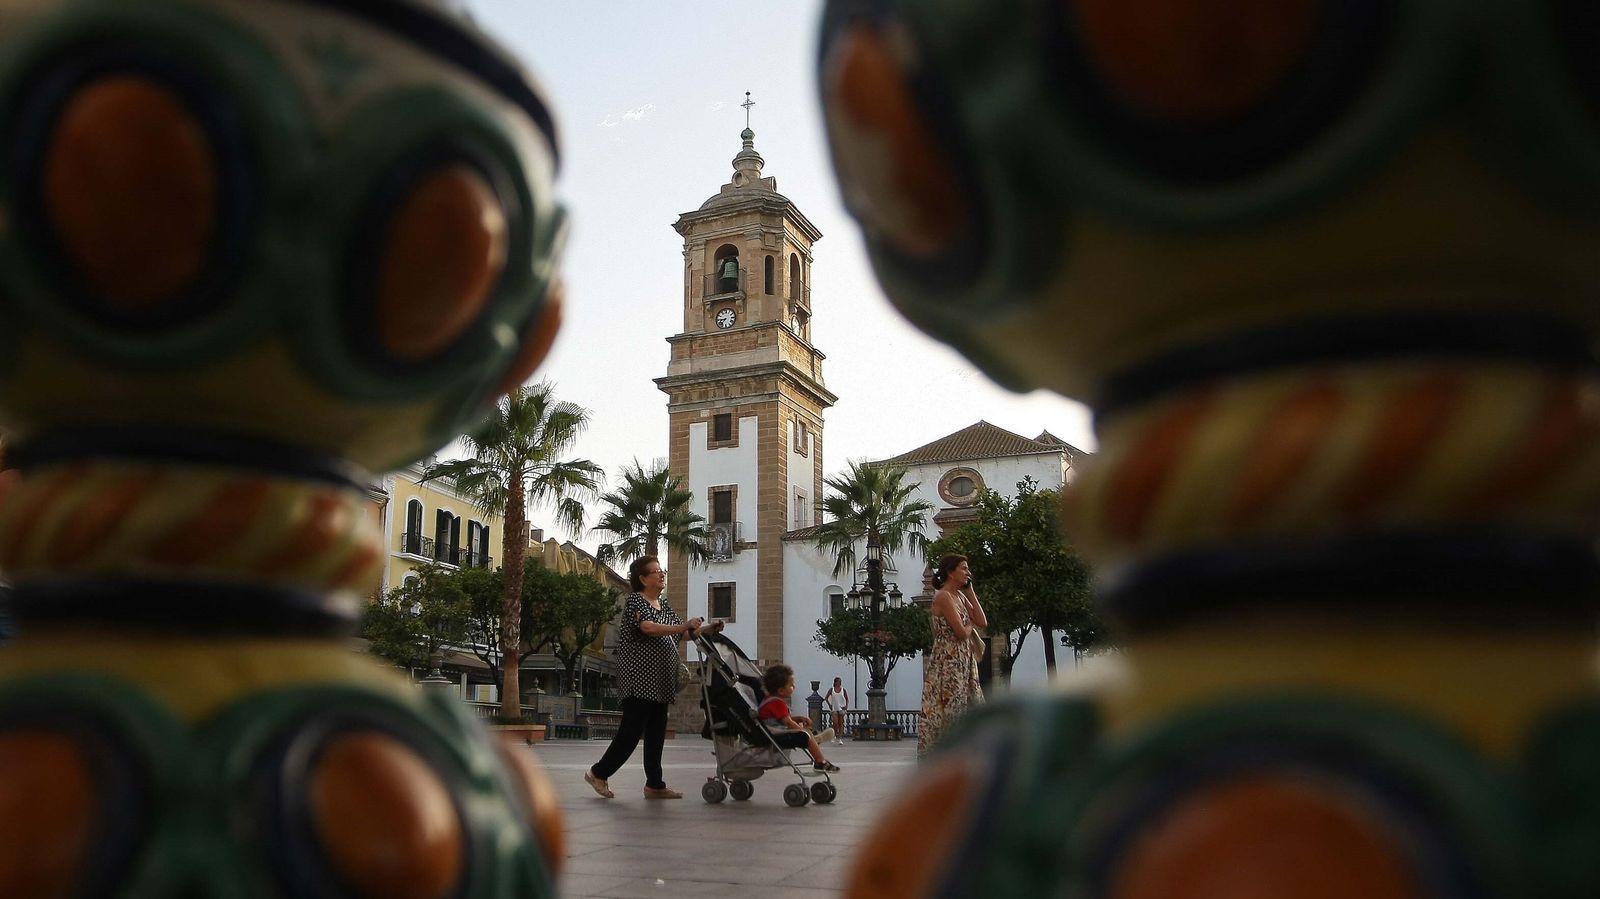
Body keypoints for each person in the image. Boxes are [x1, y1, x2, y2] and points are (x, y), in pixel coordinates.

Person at [585, 555, 721, 799]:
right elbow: (647, 627)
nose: (662, 574)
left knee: (656, 734)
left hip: (660, 681)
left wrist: (708, 629)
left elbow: (683, 634)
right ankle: (599, 772)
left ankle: (655, 785)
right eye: (656, 571)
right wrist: (684, 626)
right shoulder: (636, 601)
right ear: (643, 579)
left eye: (661, 570)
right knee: (630, 732)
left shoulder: (663, 605)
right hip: (639, 680)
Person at [919, 553, 988, 759]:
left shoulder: (960, 596)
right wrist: (969, 625)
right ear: (950, 572)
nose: (968, 572)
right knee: (952, 706)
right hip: (949, 660)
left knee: (969, 704)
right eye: (964, 568)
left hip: (963, 658)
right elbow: (961, 632)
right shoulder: (944, 596)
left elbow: (982, 621)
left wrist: (971, 592)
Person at [758, 664, 840, 772]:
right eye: (791, 685)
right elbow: (788, 722)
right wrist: (802, 731)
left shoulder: (770, 700)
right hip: (776, 733)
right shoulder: (777, 703)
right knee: (806, 734)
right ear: (781, 690)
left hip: (773, 730)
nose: (794, 687)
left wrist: (799, 718)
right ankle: (820, 761)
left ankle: (814, 739)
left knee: (806, 733)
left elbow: (782, 719)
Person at [824, 676, 848, 744]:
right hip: (834, 708)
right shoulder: (832, 690)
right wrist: (829, 705)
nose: (840, 683)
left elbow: (846, 698)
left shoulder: (843, 690)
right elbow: (826, 698)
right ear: (835, 682)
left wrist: (846, 706)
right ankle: (834, 735)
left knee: (841, 723)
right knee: (835, 722)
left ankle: (840, 738)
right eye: (839, 681)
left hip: (841, 707)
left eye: (840, 681)